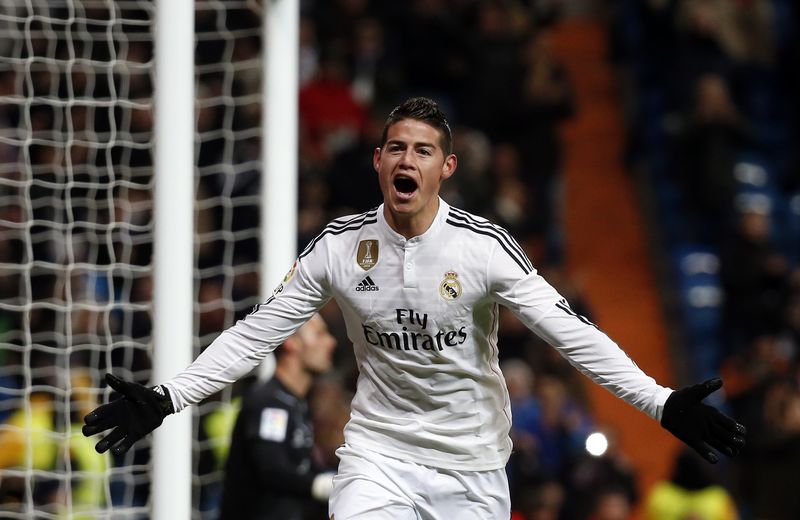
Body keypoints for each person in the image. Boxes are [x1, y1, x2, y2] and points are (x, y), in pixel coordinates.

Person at [83, 97, 746, 519]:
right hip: (379, 456)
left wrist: (659, 402)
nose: (408, 159)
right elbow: (259, 330)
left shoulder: (483, 249)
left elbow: (571, 334)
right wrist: (169, 396)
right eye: (396, 147)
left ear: (445, 167)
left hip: (474, 467)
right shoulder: (341, 248)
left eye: (422, 150)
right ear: (378, 162)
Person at [219, 313, 337, 520]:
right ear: (291, 343)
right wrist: (322, 485)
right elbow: (272, 469)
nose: (331, 342)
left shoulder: (294, 403)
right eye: (319, 334)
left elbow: (302, 466)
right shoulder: (270, 404)